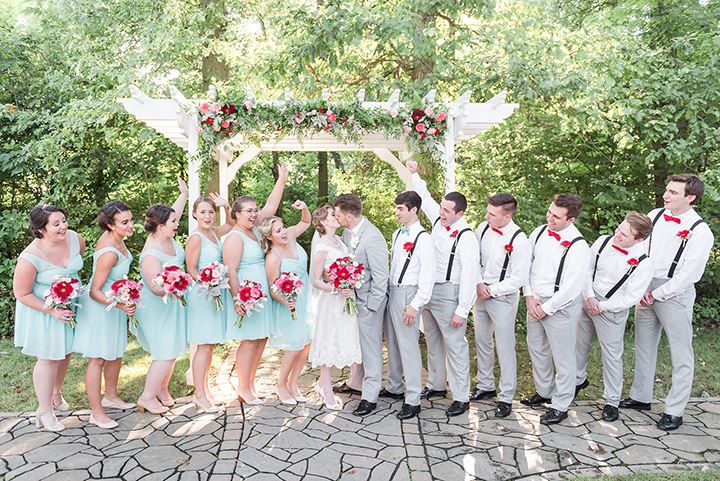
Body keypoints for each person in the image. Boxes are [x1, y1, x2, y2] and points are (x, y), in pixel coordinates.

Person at [621, 174, 714, 431]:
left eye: (673, 192)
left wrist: (658, 294)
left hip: (675, 293)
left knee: (680, 352)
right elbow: (640, 250)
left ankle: (675, 410)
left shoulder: (700, 231)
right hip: (646, 287)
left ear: (690, 197)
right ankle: (641, 397)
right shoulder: (656, 214)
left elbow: (690, 274)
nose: (666, 195)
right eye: (667, 190)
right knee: (644, 345)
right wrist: (640, 285)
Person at [408, 160, 479, 417]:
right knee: (433, 341)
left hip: (450, 294)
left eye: (448, 211)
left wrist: (463, 309)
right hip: (429, 291)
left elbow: (471, 275)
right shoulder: (438, 221)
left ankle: (461, 396)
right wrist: (415, 175)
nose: (442, 213)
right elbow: (425, 198)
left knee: (455, 346)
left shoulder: (466, 236)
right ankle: (436, 384)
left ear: (459, 214)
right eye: (442, 208)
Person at [575, 212, 653, 422]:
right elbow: (586, 269)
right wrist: (589, 297)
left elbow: (631, 297)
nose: (617, 235)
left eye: (624, 235)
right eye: (618, 229)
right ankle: (577, 381)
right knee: (578, 346)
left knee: (611, 356)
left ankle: (611, 401)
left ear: (639, 239)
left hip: (612, 310)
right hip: (588, 298)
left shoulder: (643, 263)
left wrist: (602, 306)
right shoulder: (602, 242)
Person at [13, 204, 86, 431]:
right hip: (43, 311)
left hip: (69, 306)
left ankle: (56, 393)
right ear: (40, 229)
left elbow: (74, 270)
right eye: (56, 224)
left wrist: (69, 295)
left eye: (63, 220)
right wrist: (52, 309)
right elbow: (22, 293)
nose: (63, 226)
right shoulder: (29, 257)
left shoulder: (76, 239)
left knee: (65, 353)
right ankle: (44, 411)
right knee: (48, 358)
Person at [522, 193, 590, 425]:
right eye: (550, 212)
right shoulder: (539, 232)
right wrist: (529, 296)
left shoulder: (579, 246)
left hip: (560, 306)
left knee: (564, 358)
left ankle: (560, 404)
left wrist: (547, 307)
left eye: (557, 217)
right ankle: (545, 391)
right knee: (537, 349)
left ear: (571, 220)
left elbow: (572, 287)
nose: (550, 219)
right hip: (535, 300)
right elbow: (526, 266)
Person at [224, 165, 288, 404]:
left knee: (260, 339)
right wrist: (238, 297)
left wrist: (281, 178)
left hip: (261, 297)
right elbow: (231, 269)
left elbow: (271, 207)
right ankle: (242, 387)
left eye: (255, 210)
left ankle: (250, 385)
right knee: (249, 340)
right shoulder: (235, 236)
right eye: (248, 211)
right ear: (237, 215)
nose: (254, 214)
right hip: (247, 296)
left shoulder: (256, 232)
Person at [73, 201, 137, 428]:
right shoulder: (109, 252)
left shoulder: (118, 240)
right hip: (101, 307)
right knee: (98, 358)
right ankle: (96, 412)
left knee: (115, 353)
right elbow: (94, 291)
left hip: (114, 303)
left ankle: (111, 396)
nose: (131, 225)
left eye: (131, 220)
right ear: (110, 225)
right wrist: (119, 305)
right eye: (125, 222)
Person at [132, 178, 189, 414]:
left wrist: (184, 193)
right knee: (164, 352)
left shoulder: (167, 236)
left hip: (171, 305)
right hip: (156, 306)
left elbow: (175, 211)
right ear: (160, 225)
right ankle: (147, 396)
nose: (177, 224)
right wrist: (176, 285)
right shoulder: (151, 254)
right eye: (173, 222)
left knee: (172, 350)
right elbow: (155, 287)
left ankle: (162, 390)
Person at [472, 193, 531, 418]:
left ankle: (506, 396)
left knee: (504, 346)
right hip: (481, 292)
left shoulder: (519, 240)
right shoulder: (482, 228)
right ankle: (485, 385)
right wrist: (478, 283)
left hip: (503, 297)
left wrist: (492, 290)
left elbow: (519, 278)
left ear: (506, 216)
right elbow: (474, 259)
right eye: (487, 211)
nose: (487, 216)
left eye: (492, 214)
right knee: (482, 341)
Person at [334, 194, 389, 417]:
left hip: (368, 305)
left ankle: (370, 396)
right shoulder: (347, 233)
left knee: (371, 349)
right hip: (352, 301)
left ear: (349, 215)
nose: (335, 218)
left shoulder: (373, 237)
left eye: (337, 215)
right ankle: (356, 382)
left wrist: (372, 306)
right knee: (358, 346)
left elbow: (381, 276)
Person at [383, 191, 434, 420]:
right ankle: (394, 386)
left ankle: (413, 399)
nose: (397, 212)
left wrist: (415, 304)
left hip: (408, 294)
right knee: (392, 342)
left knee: (409, 347)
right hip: (393, 292)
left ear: (413, 210)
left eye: (401, 208)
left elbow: (428, 275)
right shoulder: (396, 234)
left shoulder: (423, 238)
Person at [308, 205, 362, 410]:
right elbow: (315, 280)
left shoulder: (340, 240)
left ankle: (329, 383)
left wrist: (349, 281)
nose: (336, 217)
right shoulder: (321, 246)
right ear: (323, 222)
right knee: (329, 340)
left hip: (345, 298)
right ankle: (326, 389)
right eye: (332, 215)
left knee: (341, 337)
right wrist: (336, 289)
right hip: (331, 300)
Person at [260, 200, 312, 405]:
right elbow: (273, 288)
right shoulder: (273, 257)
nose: (283, 233)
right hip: (289, 303)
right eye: (277, 231)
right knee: (295, 344)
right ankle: (281, 385)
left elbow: (306, 221)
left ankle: (294, 384)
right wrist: (288, 302)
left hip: (307, 296)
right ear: (269, 236)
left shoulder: (291, 235)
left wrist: (304, 208)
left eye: (282, 228)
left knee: (307, 343)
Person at [185, 193, 233, 413]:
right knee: (203, 345)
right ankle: (199, 395)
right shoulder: (196, 238)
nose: (207, 216)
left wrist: (226, 206)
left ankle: (205, 389)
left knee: (210, 345)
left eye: (211, 212)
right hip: (202, 294)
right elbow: (191, 269)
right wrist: (209, 283)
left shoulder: (214, 233)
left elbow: (231, 224)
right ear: (194, 214)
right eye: (202, 212)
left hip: (214, 292)